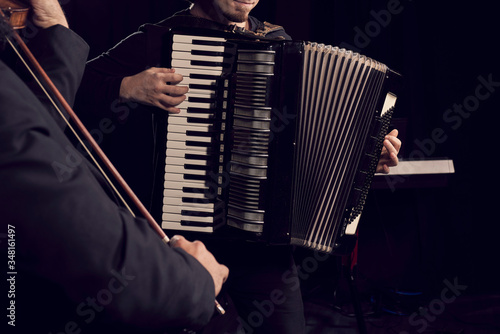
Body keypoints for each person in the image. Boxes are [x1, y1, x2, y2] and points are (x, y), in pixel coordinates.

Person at [74, 1, 401, 333]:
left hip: (265, 252)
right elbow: (65, 88)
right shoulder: (159, 38)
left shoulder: (280, 43)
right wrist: (127, 87)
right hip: (186, 246)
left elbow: (305, 143)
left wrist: (364, 158)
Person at [0, 1, 228, 333]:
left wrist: (58, 31)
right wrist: (194, 282)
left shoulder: (275, 36)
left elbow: (36, 130)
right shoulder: (160, 34)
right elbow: (99, 255)